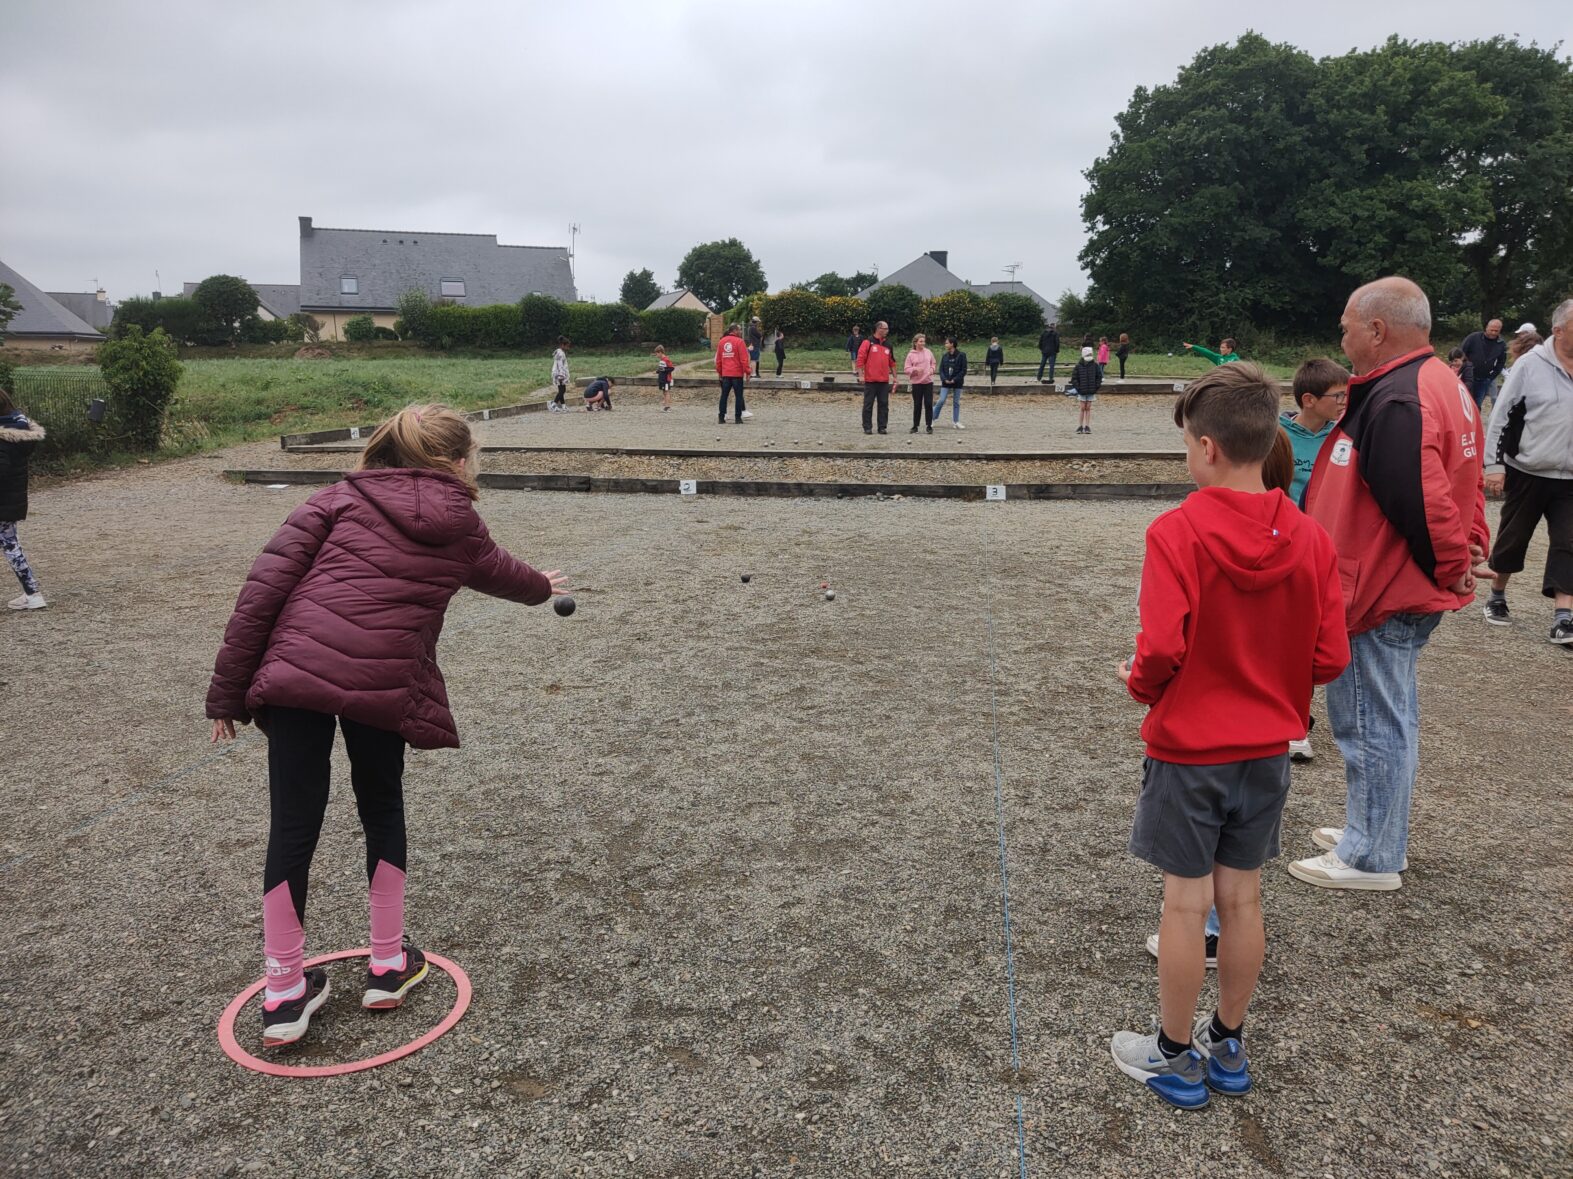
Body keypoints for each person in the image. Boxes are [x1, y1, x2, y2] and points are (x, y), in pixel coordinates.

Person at [206, 404, 569, 1048]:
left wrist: (227, 695)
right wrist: (542, 586)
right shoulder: (461, 527)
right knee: (381, 808)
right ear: (457, 461)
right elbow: (507, 576)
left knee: (293, 824)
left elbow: (260, 593)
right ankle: (385, 964)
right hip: (383, 684)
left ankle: (285, 990)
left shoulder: (334, 501)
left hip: (294, 681)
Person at [1113, 363, 1348, 1109]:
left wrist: (1138, 683)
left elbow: (1160, 649)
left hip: (1189, 747)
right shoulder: (1308, 536)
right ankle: (1228, 1040)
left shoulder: (1175, 531)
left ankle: (1173, 1053)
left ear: (1206, 446)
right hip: (1266, 747)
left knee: (1185, 906)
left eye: (1187, 441)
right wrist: (1280, 689)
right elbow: (1330, 654)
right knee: (1241, 900)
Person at [1290, 277, 1488, 892]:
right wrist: (1468, 546)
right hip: (1391, 582)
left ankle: (1372, 853)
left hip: (1380, 589)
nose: (1342, 336)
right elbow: (1468, 477)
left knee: (1370, 719)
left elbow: (1420, 499)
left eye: (1347, 325)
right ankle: (1373, 824)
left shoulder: (1397, 397)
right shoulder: (1440, 384)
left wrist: (1450, 560)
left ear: (1377, 330)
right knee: (1387, 712)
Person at [1480, 297, 1573, 644]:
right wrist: (1493, 465)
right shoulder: (1530, 365)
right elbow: (1501, 416)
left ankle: (1564, 617)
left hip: (1570, 478)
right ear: (1558, 330)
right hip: (1528, 469)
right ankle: (1497, 594)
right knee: (1514, 536)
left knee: (1569, 542)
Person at [0, 385, 46, 611]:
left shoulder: (3, 438)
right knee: (11, 546)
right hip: (11, 501)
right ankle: (32, 593)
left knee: (11, 547)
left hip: (4, 502)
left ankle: (33, 594)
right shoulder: (17, 429)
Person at [855, 321, 896, 435]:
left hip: (884, 381)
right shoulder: (867, 342)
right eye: (885, 328)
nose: (887, 331)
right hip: (870, 380)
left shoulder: (888, 344)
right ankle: (867, 427)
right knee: (868, 404)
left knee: (884, 405)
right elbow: (860, 359)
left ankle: (882, 427)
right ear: (879, 329)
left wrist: (895, 377)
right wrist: (861, 375)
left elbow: (892, 362)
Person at [1459, 318, 1505, 410]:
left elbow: (1501, 361)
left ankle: (1475, 423)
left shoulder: (1501, 344)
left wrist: (1492, 376)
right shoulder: (1473, 338)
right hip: (1468, 377)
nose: (1493, 333)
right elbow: (1461, 353)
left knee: (1477, 405)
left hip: (1484, 379)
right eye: (1491, 330)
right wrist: (1464, 368)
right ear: (1486, 328)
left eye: (1496, 331)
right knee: (1464, 403)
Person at [715, 323, 751, 425]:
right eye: (739, 330)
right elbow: (744, 360)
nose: (740, 332)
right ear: (734, 330)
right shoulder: (740, 342)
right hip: (737, 374)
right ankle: (738, 418)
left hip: (726, 374)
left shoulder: (721, 342)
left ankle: (721, 417)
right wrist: (748, 372)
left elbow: (718, 360)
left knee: (724, 396)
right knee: (738, 396)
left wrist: (720, 372)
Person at [903, 332, 937, 434]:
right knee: (917, 404)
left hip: (928, 382)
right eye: (921, 341)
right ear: (915, 342)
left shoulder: (928, 352)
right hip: (916, 383)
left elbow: (933, 363)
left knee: (928, 404)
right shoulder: (910, 355)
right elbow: (906, 369)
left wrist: (932, 369)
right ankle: (915, 426)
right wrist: (915, 369)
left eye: (924, 341)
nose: (923, 343)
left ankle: (929, 425)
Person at [1068, 345, 1103, 434]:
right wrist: (1078, 388)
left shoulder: (1095, 365)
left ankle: (1087, 426)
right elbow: (1074, 378)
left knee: (1088, 408)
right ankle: (1080, 426)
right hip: (1082, 391)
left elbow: (1099, 377)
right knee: (1082, 408)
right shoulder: (1078, 366)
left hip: (1091, 390)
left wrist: (1096, 387)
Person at [935, 337, 967, 429]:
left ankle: (956, 421)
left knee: (956, 402)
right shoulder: (945, 356)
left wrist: (955, 379)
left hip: (957, 382)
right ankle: (932, 418)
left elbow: (963, 370)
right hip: (946, 382)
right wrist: (944, 379)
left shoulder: (962, 355)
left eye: (946, 343)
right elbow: (941, 370)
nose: (945, 345)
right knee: (941, 400)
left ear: (952, 344)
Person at [550, 336, 571, 412]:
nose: (568, 348)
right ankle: (553, 404)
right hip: (559, 374)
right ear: (562, 345)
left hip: (558, 373)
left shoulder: (559, 352)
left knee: (561, 390)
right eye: (567, 346)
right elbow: (560, 365)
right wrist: (561, 375)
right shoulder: (560, 354)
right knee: (562, 390)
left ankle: (563, 406)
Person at [654, 346, 676, 411]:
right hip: (662, 379)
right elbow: (661, 369)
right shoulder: (661, 360)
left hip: (666, 379)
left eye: (656, 354)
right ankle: (666, 405)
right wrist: (657, 371)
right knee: (664, 392)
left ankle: (667, 407)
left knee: (667, 392)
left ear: (660, 352)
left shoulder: (666, 359)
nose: (656, 355)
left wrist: (663, 370)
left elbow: (671, 368)